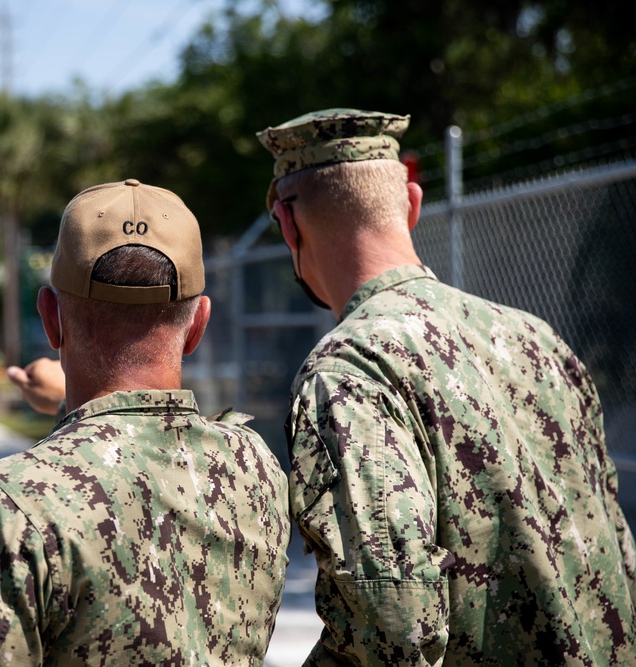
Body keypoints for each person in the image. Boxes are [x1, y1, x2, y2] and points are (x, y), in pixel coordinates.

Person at [257, 108, 636, 665]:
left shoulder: (349, 370)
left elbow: (390, 636)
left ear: (289, 225)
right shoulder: (538, 338)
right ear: (412, 203)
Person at [0, 178, 290, 666]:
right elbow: (143, 447)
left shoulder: (1, 512)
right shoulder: (255, 470)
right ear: (198, 325)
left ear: (49, 319)